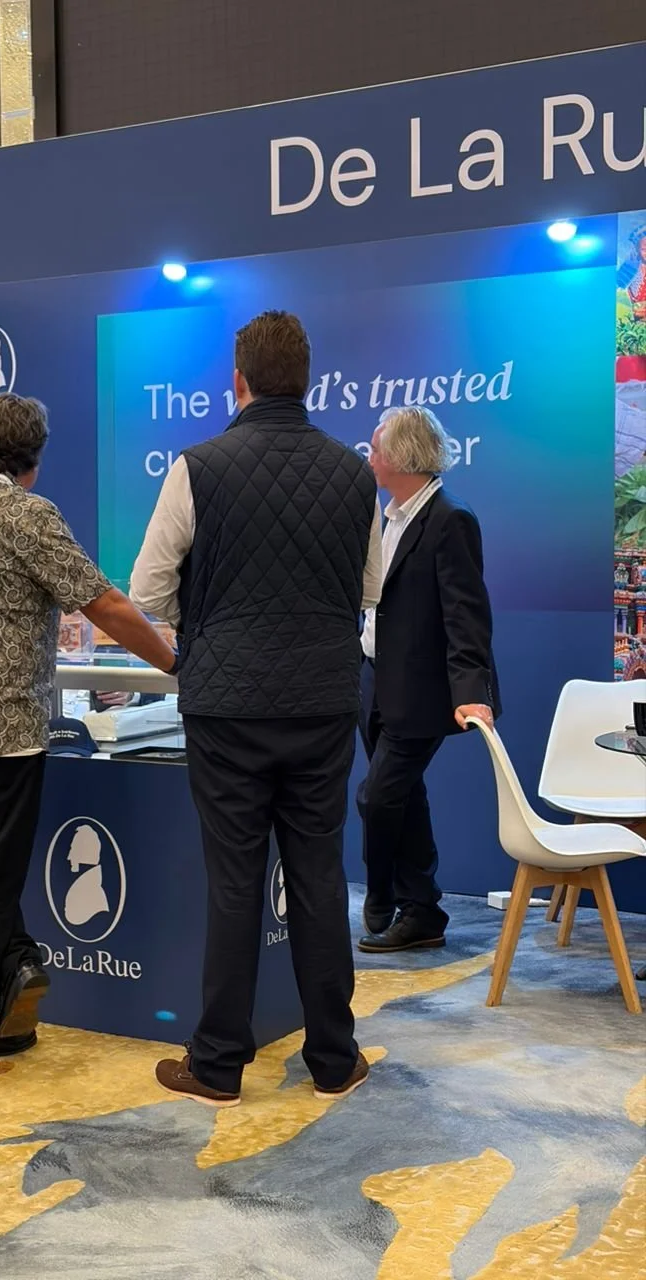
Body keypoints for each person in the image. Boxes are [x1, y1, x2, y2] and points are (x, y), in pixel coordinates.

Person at [131, 310, 382, 1107]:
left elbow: (146, 591)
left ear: (236, 381)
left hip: (226, 709)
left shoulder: (197, 465)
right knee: (318, 875)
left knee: (234, 882)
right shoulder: (354, 474)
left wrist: (202, 636)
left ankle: (217, 1066)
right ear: (306, 379)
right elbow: (371, 589)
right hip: (322, 704)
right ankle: (334, 1059)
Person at [0, 393, 176, 1067]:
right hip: (0, 732)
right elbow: (102, 601)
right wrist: (172, 662)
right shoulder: (27, 516)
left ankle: (18, 965)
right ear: (34, 461)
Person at [357, 406, 500, 954]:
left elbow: (467, 616)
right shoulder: (387, 515)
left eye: (375, 447)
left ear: (401, 456)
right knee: (405, 796)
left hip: (421, 693)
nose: (367, 456)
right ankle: (423, 911)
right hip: (372, 681)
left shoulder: (449, 518)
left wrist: (471, 693)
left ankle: (382, 895)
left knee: (378, 796)